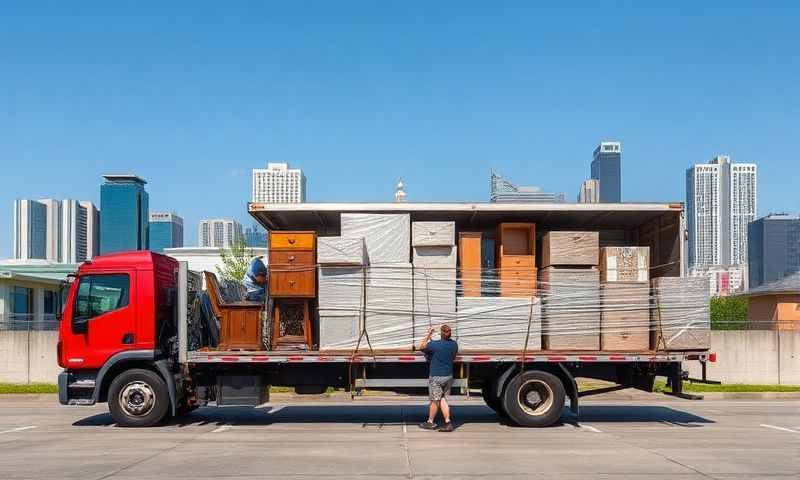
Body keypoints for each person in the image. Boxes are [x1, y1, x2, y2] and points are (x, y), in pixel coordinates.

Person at [418, 324, 458, 432]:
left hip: (436, 377)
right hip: (448, 376)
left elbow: (421, 346)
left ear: (441, 333)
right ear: (450, 334)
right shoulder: (454, 345)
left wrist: (429, 334)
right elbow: (453, 356)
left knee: (435, 400)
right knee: (442, 399)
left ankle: (430, 422)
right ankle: (448, 422)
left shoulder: (434, 345)